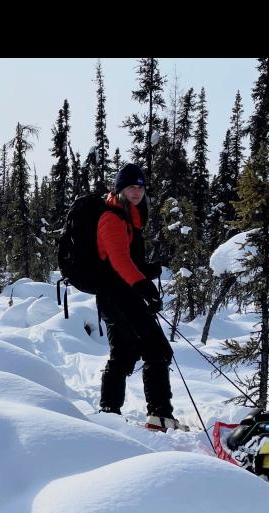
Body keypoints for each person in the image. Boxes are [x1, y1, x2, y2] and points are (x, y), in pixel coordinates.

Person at [96, 163, 180, 430]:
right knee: (157, 350)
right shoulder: (112, 218)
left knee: (123, 353)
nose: (137, 192)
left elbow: (121, 259)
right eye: (132, 186)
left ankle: (109, 414)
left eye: (141, 187)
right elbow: (118, 260)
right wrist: (144, 285)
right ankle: (160, 415)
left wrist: (145, 270)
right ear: (120, 189)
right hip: (117, 297)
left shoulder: (128, 218)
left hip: (118, 296)